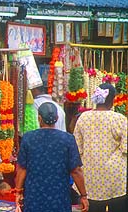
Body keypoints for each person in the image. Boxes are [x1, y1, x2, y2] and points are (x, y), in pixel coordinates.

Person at [15, 102, 89, 212]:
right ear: (57, 118)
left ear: (39, 118)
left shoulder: (28, 138)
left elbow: (22, 169)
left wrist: (18, 192)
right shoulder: (67, 139)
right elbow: (76, 171)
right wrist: (83, 196)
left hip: (34, 197)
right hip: (59, 197)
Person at [73, 83, 127, 212]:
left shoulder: (83, 118)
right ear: (112, 100)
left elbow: (77, 148)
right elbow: (126, 148)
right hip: (115, 178)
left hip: (90, 178)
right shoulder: (119, 119)